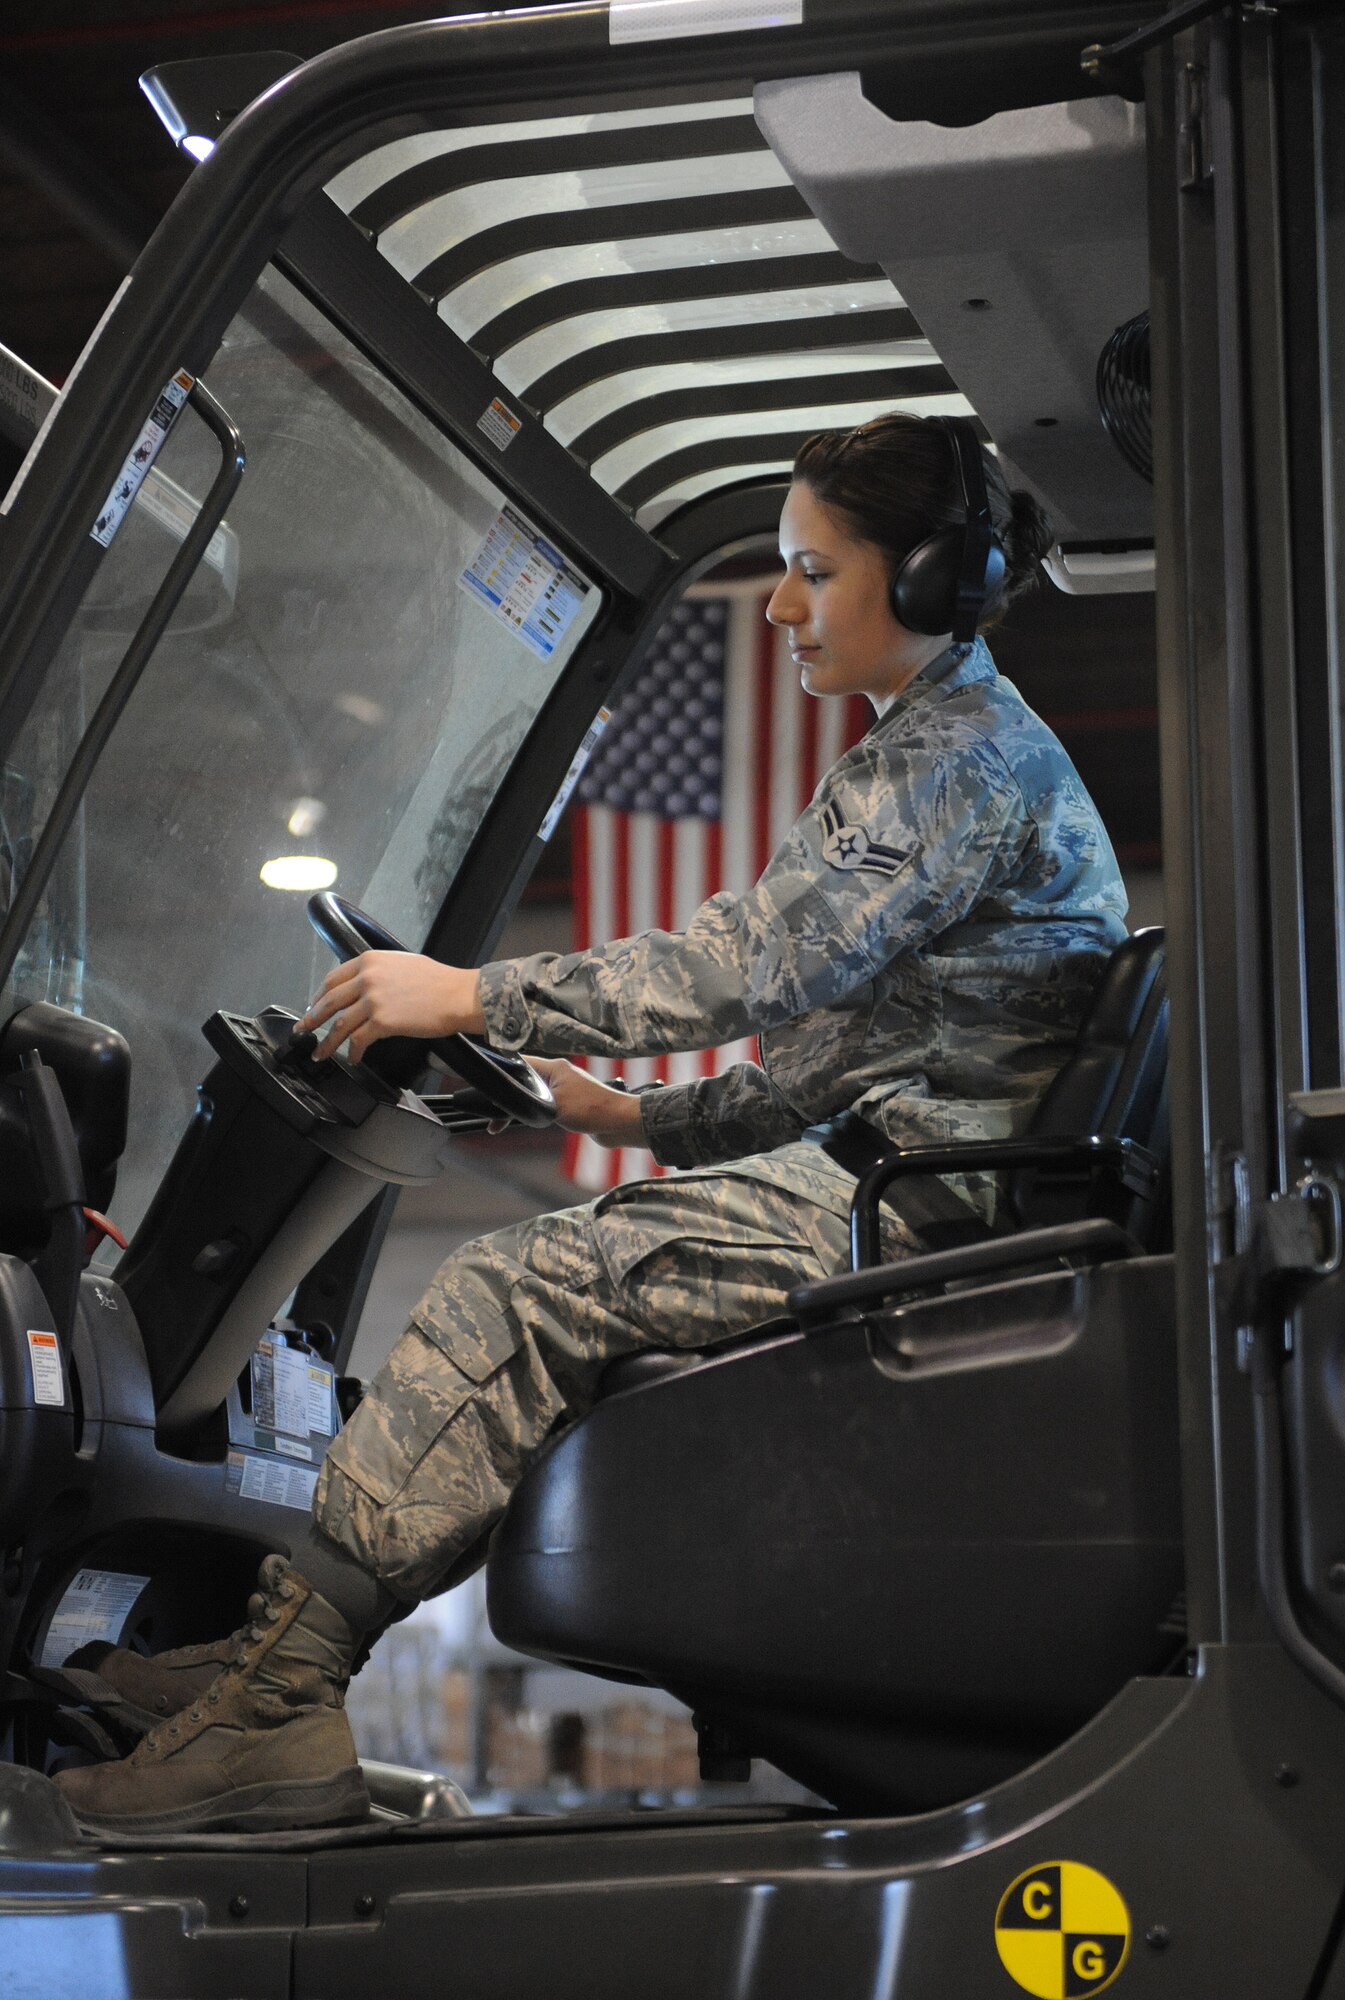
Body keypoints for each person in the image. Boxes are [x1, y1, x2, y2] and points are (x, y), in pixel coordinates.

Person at [54, 413, 1128, 1833]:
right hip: (923, 1171)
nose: (785, 607)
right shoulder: (940, 750)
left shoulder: (953, 763)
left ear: (923, 582)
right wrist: (634, 1116)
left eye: (813, 569)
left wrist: (474, 998)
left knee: (518, 1281)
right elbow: (835, 1059)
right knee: (542, 1270)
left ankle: (275, 1709)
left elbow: (748, 968)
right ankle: (267, 1661)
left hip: (932, 1206)